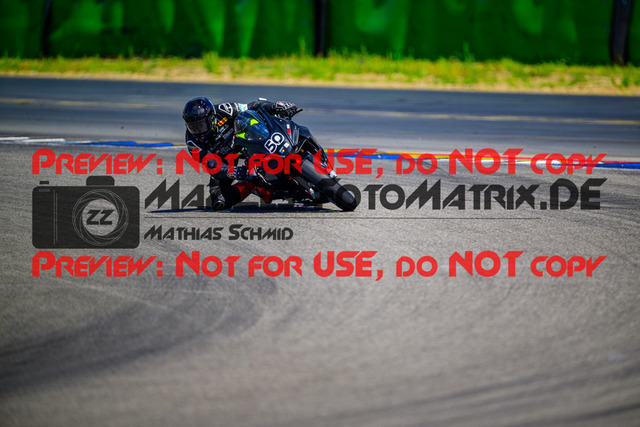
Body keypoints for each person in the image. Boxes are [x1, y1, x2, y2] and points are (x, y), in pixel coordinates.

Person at [182, 97, 301, 210]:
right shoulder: (193, 143)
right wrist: (232, 171)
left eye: (201, 125)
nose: (199, 130)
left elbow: (252, 106)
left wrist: (273, 106)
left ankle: (296, 141)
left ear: (212, 118)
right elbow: (212, 165)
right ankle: (256, 184)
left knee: (260, 118)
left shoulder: (224, 109)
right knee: (219, 200)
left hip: (246, 140)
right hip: (225, 159)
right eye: (193, 127)